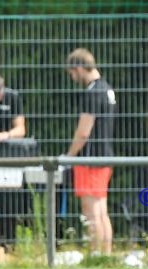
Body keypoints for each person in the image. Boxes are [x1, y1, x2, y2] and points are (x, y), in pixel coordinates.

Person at [65, 48, 116, 256]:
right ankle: (106, 254)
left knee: (91, 211)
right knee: (102, 211)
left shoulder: (92, 92)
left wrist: (69, 156)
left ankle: (97, 254)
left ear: (78, 68)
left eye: (72, 73)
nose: (73, 78)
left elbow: (83, 132)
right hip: (105, 156)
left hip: (90, 159)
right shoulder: (106, 88)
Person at [0, 71, 28, 249]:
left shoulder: (13, 97)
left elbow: (21, 129)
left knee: (8, 198)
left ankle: (8, 243)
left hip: (8, 156)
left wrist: (4, 135)